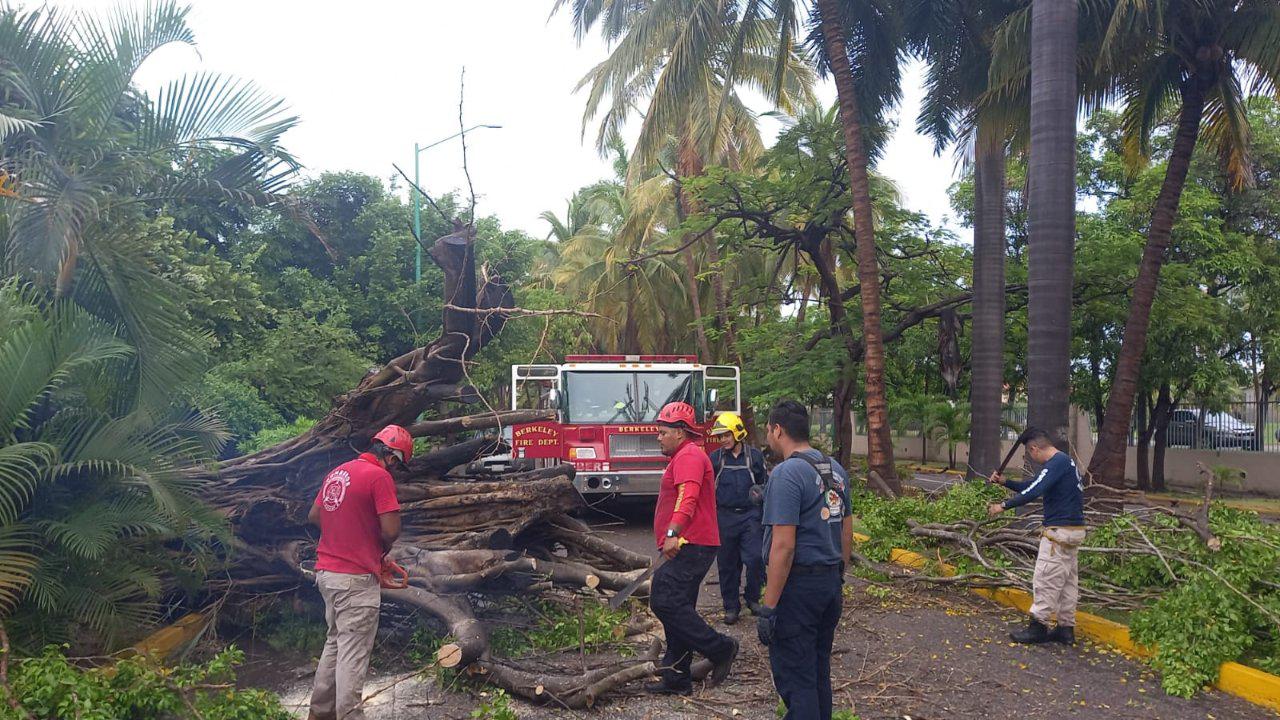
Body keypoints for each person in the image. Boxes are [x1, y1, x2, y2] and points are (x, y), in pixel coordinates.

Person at [307, 425, 413, 720]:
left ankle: (319, 714)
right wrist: (374, 547)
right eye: (397, 465)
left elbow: (314, 516)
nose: (395, 471)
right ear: (391, 457)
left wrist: (347, 538)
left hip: (327, 574)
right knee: (353, 654)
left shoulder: (338, 472)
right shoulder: (379, 477)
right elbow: (390, 531)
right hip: (355, 580)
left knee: (335, 644)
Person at [756, 400, 852, 720]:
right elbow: (846, 531)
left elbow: (783, 547)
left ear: (778, 430)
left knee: (797, 679)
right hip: (829, 584)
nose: (768, 435)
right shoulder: (836, 470)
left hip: (799, 589)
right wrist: (837, 576)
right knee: (817, 670)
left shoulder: (786, 474)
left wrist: (769, 607)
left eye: (768, 429)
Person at [647, 401, 739, 695]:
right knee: (679, 606)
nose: (659, 437)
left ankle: (721, 648)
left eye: (663, 432)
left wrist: (672, 533)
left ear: (680, 432)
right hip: (689, 543)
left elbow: (687, 498)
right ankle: (677, 678)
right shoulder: (685, 456)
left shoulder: (689, 456)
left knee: (663, 599)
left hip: (691, 543)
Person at [987, 426, 1086, 645]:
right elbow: (1033, 484)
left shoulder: (1056, 464)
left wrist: (1002, 505)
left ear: (1034, 449)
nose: (1032, 458)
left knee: (1045, 579)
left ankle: (1038, 628)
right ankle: (1065, 629)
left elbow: (1033, 491)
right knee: (1067, 583)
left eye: (1029, 453)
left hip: (1058, 533)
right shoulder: (1065, 462)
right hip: (1073, 531)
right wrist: (1005, 482)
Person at [707, 411, 768, 625]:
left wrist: (761, 494)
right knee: (727, 563)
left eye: (726, 435)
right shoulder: (715, 459)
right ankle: (731, 606)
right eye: (720, 436)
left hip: (751, 516)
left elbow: (765, 484)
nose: (723, 440)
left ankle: (753, 598)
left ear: (737, 433)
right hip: (724, 517)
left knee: (756, 558)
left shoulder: (755, 457)